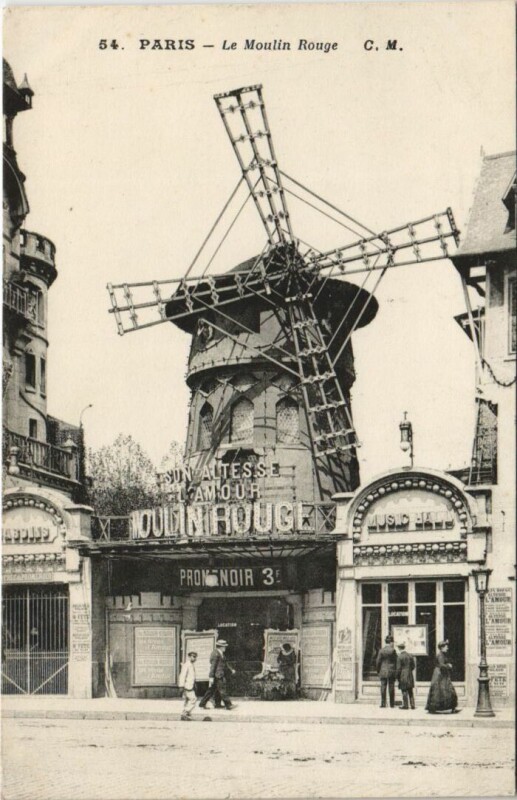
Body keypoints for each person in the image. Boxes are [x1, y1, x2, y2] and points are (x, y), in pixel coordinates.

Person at [198, 639, 236, 710]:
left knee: (212, 690)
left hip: (218, 675)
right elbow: (213, 666)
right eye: (224, 646)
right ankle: (228, 705)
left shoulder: (220, 653)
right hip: (217, 675)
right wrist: (211, 677)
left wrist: (231, 669)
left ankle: (205, 704)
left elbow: (225, 663)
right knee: (222, 690)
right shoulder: (215, 653)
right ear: (220, 647)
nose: (225, 648)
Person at [425, 640, 458, 714]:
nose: (447, 648)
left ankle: (448, 707)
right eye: (446, 646)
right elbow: (441, 665)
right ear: (442, 647)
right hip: (440, 675)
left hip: (442, 674)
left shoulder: (442, 654)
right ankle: (434, 707)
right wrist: (448, 666)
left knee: (443, 691)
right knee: (441, 691)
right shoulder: (440, 655)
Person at [376, 634, 397, 708]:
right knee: (391, 687)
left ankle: (383, 703)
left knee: (383, 687)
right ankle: (392, 704)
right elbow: (396, 661)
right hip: (391, 671)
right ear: (391, 642)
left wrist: (378, 670)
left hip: (383, 671)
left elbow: (378, 662)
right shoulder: (393, 650)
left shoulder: (381, 650)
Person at [178, 651, 198, 721]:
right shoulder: (186, 665)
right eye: (193, 656)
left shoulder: (191, 665)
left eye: (195, 657)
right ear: (189, 657)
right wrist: (181, 686)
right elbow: (182, 676)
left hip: (190, 685)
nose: (194, 658)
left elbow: (192, 676)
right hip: (187, 686)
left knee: (187, 701)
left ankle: (185, 715)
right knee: (193, 699)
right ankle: (186, 713)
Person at [396, 642, 416, 710]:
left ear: (399, 648)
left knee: (404, 690)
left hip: (403, 675)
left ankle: (405, 705)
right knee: (410, 690)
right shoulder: (410, 655)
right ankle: (412, 705)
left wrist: (397, 676)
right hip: (410, 674)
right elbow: (413, 666)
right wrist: (409, 670)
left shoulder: (399, 657)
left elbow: (398, 669)